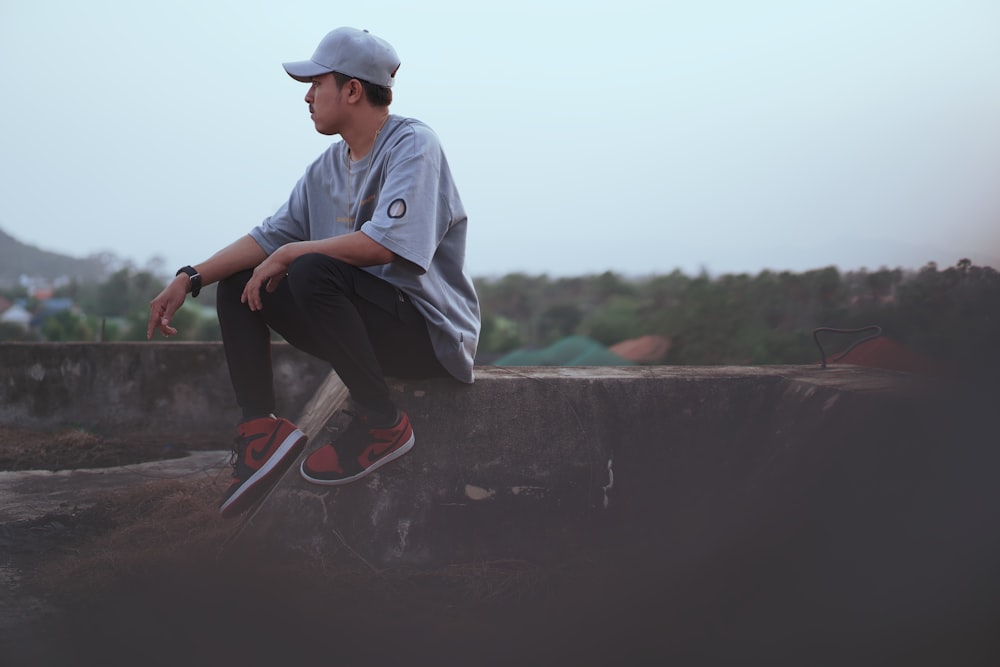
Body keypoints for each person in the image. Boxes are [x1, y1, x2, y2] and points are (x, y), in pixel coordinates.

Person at [146, 27, 480, 518]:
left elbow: (383, 245)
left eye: (316, 83)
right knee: (242, 281)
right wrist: (191, 277)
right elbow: (268, 238)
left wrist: (290, 255)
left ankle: (383, 425)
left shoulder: (413, 145)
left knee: (310, 267)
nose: (307, 96)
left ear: (351, 90)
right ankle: (260, 433)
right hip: (362, 327)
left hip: (427, 334)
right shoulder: (326, 167)